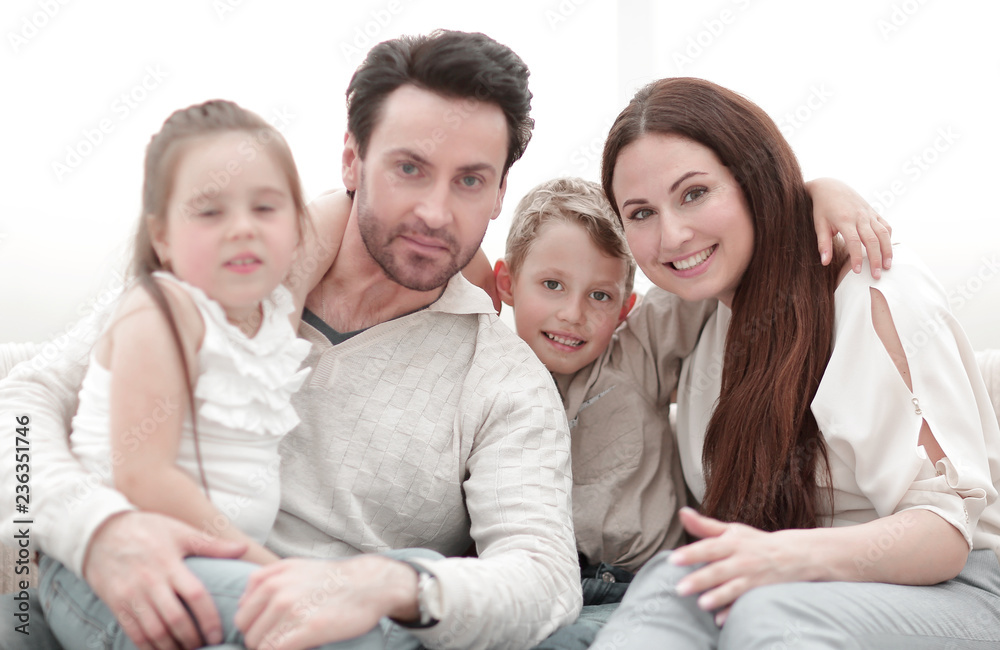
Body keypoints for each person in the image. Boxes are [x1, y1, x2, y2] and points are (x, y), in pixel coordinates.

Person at [0, 30, 582, 650]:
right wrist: (94, 530)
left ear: (498, 195)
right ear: (352, 160)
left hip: (336, 626)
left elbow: (546, 579)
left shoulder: (501, 379)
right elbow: (23, 404)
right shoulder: (233, 269)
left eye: (470, 181)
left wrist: (397, 586)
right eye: (409, 168)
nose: (436, 212)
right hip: (147, 589)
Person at [589, 77, 1000, 648]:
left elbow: (945, 534)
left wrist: (777, 557)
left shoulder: (873, 292)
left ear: (752, 182)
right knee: (668, 580)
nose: (672, 235)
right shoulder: (697, 318)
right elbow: (577, 358)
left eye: (694, 193)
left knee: (767, 614)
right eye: (640, 213)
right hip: (792, 584)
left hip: (956, 588)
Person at [491, 177, 890, 650]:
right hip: (534, 585)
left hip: (638, 587)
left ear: (625, 308)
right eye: (552, 285)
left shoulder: (636, 354)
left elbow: (721, 259)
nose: (572, 313)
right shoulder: (487, 381)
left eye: (599, 295)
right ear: (507, 283)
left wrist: (814, 194)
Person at [35, 98, 328, 649]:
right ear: (163, 237)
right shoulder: (163, 310)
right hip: (118, 573)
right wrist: (271, 566)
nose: (242, 228)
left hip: (213, 567)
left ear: (296, 228)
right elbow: (144, 477)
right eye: (209, 211)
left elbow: (344, 218)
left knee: (405, 572)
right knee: (327, 624)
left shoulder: (270, 319)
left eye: (266, 208)